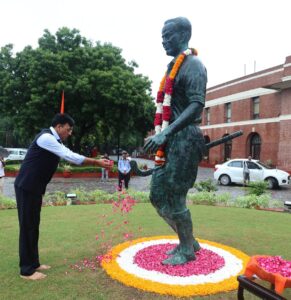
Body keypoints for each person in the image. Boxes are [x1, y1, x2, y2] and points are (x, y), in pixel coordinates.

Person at [14, 113, 112, 280]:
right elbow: (69, 156)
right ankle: (26, 270)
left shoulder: (53, 140)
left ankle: (34, 263)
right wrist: (96, 162)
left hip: (34, 188)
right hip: (27, 186)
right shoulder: (46, 138)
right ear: (58, 127)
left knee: (33, 225)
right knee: (28, 226)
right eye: (68, 129)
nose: (69, 133)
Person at [144, 17, 207, 265]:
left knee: (175, 195)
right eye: (162, 36)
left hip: (185, 138)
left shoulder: (193, 65)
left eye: (167, 36)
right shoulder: (172, 68)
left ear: (183, 35)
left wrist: (166, 133)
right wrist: (163, 133)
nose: (163, 41)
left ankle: (187, 250)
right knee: (157, 194)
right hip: (171, 140)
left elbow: (196, 105)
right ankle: (188, 240)